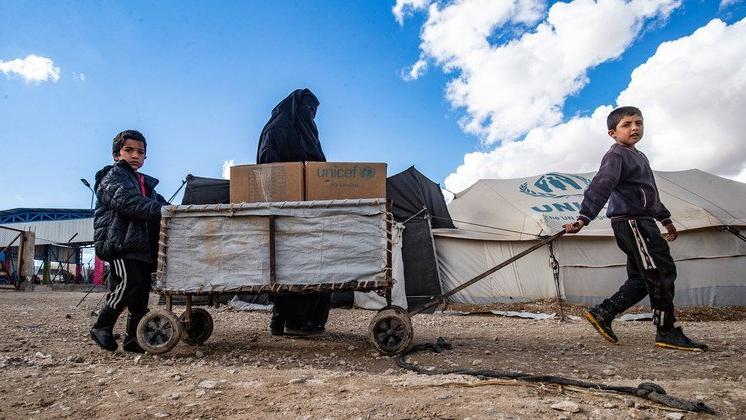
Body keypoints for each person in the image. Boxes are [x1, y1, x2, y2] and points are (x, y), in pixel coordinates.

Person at [563, 106, 707, 351]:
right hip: (632, 222)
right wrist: (584, 218)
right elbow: (600, 186)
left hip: (643, 221)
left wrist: (665, 219)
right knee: (661, 272)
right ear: (612, 133)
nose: (635, 128)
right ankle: (666, 330)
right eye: (627, 124)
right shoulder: (616, 155)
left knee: (642, 277)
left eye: (639, 123)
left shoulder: (639, 156)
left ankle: (603, 313)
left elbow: (650, 194)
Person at [257, 88, 330, 337]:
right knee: (294, 265)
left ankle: (286, 320)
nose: (311, 115)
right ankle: (294, 322)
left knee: (304, 264)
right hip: (285, 210)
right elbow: (269, 167)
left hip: (308, 212)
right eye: (308, 109)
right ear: (297, 107)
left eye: (314, 112)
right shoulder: (276, 130)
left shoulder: (307, 132)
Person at [90, 130, 167, 352]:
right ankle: (102, 325)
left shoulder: (146, 185)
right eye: (129, 150)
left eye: (140, 152)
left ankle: (134, 338)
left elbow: (162, 205)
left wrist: (175, 210)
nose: (135, 155)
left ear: (145, 157)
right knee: (129, 282)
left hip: (142, 246)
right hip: (120, 243)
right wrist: (163, 210)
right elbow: (128, 202)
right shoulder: (112, 176)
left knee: (140, 292)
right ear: (117, 154)